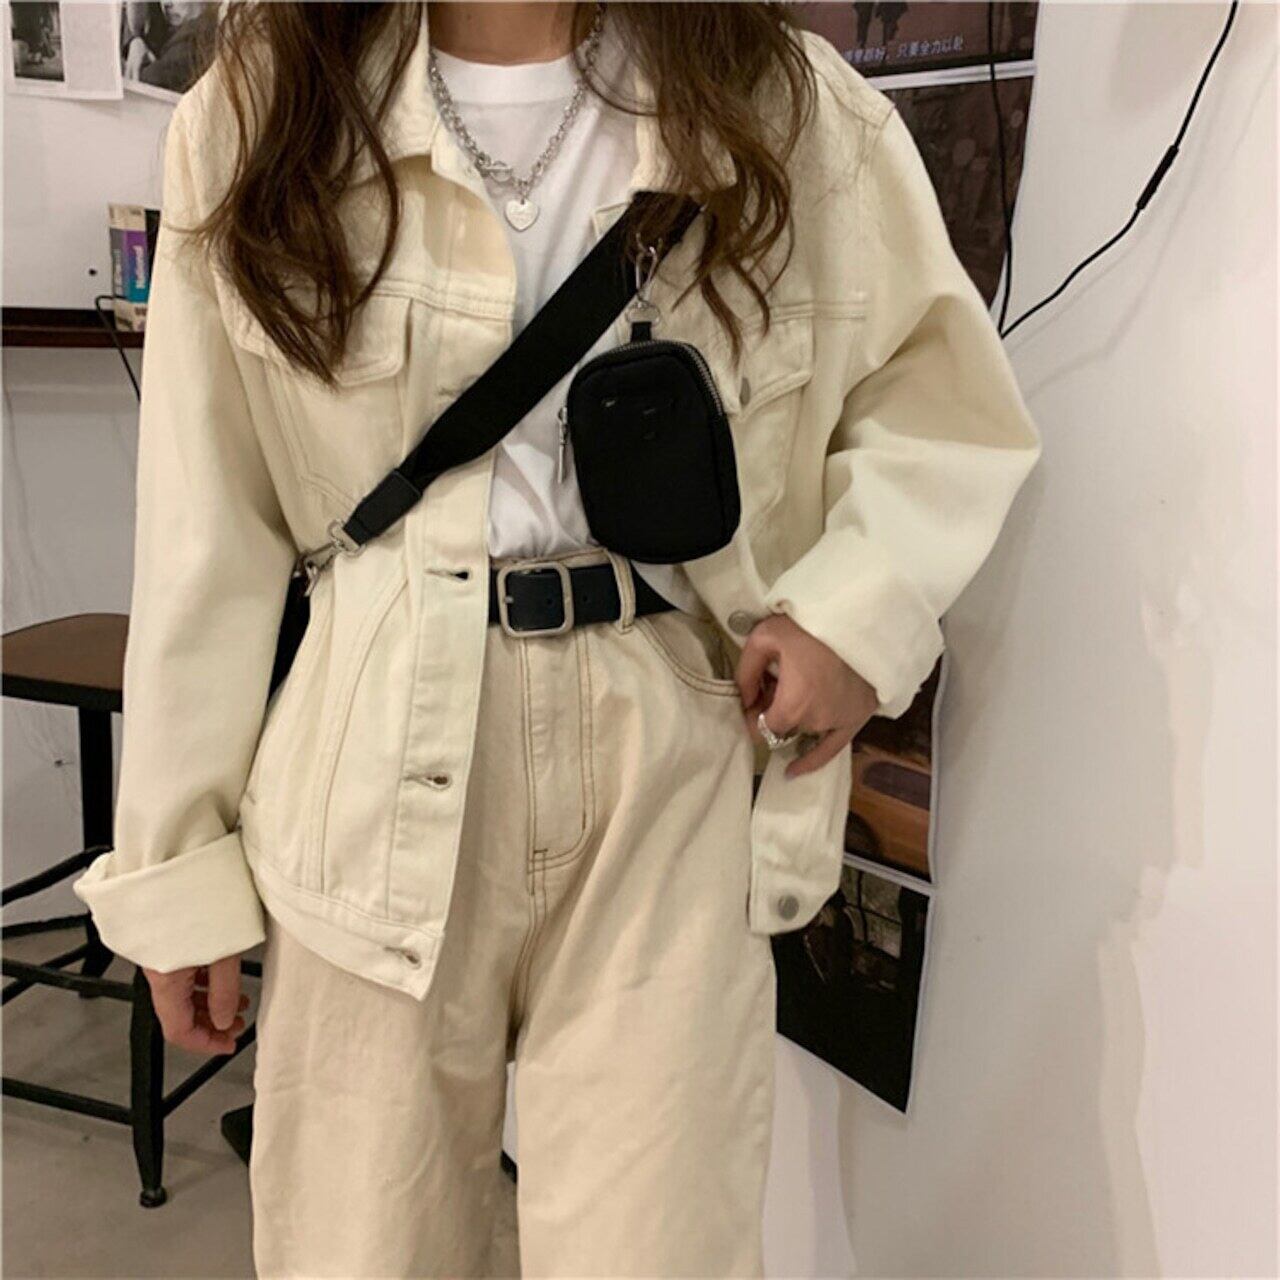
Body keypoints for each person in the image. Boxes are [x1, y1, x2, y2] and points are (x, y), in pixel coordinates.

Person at [73, 2, 1042, 1275]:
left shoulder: (784, 102)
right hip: (369, 750)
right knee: (361, 1241)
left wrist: (852, 615)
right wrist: (178, 865)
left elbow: (936, 401)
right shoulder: (266, 111)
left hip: (670, 745)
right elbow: (206, 523)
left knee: (661, 1245)